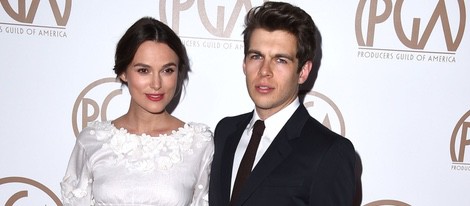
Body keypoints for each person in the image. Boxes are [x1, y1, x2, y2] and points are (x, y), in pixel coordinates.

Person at [209, 2, 356, 206]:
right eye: (256, 56)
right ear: (244, 63)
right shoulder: (226, 132)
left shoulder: (329, 152)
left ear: (303, 71)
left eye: (280, 60)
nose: (264, 71)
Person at [61, 17, 213, 206]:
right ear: (123, 72)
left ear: (178, 73)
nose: (156, 84)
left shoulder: (199, 143)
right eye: (143, 70)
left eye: (167, 70)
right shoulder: (92, 140)